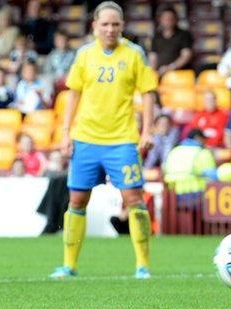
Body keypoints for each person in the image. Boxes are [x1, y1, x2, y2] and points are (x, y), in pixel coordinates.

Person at [49, 2, 156, 280]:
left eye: (116, 24)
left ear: (122, 27)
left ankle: (143, 266)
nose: (110, 29)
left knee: (134, 199)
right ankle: (69, 265)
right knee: (77, 200)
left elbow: (147, 94)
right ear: (94, 26)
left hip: (122, 140)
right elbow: (73, 94)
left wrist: (147, 131)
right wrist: (65, 133)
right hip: (86, 138)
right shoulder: (84, 54)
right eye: (105, 24)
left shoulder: (134, 54)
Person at [162, 129, 216, 234]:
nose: (205, 142)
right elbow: (212, 176)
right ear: (197, 139)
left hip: (172, 195)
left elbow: (165, 169)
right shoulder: (202, 152)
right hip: (195, 195)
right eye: (203, 139)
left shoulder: (174, 150)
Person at [151, 6, 193, 77]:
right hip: (161, 75)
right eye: (165, 18)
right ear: (160, 20)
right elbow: (153, 56)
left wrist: (170, 68)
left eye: (171, 18)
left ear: (176, 19)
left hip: (180, 75)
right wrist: (152, 71)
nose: (168, 21)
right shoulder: (156, 36)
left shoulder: (184, 35)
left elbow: (186, 55)